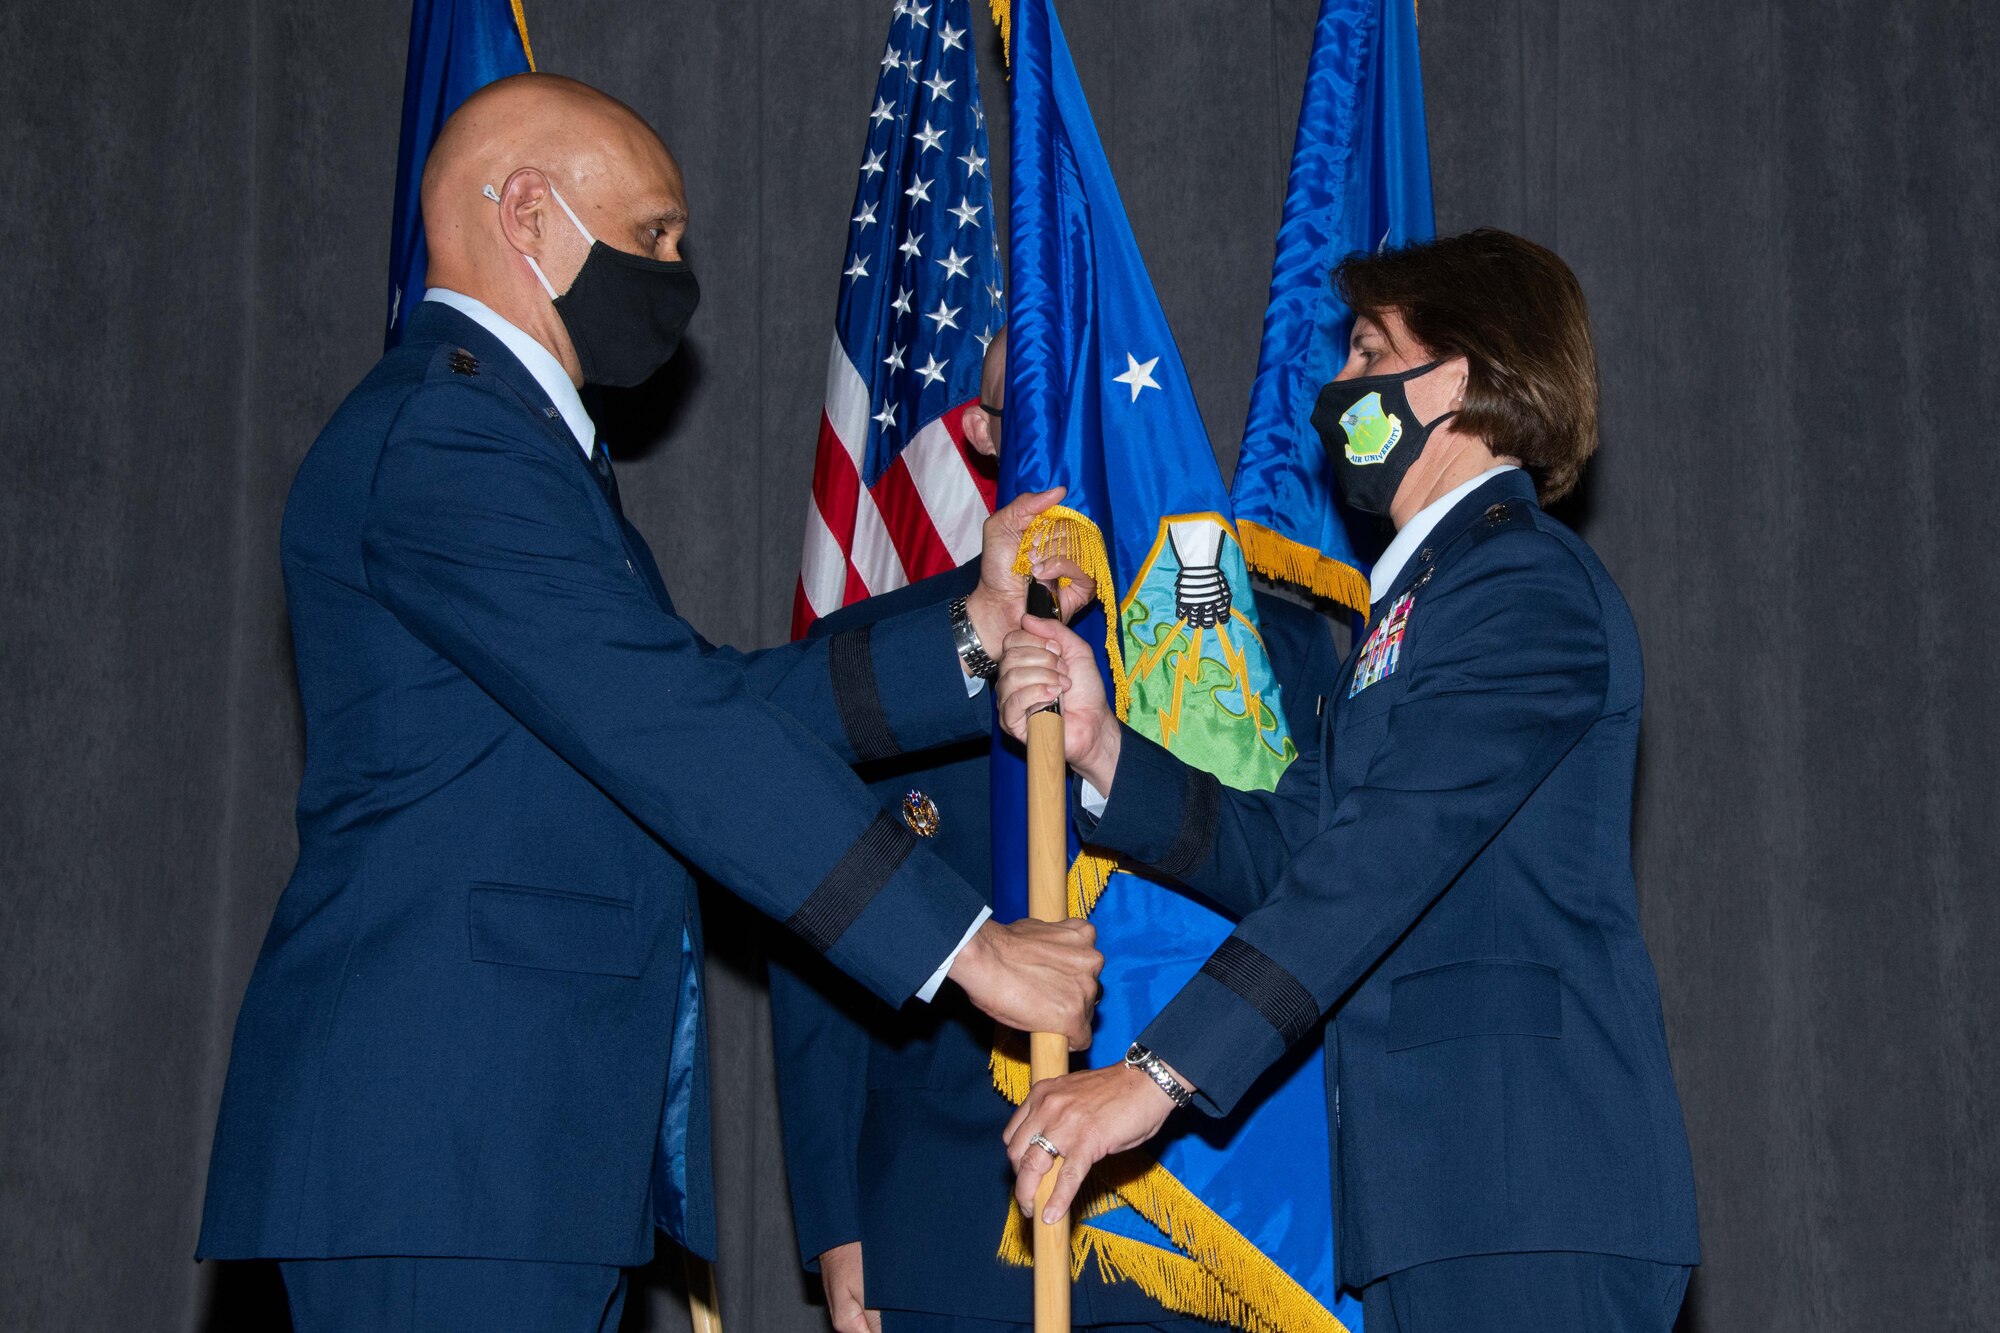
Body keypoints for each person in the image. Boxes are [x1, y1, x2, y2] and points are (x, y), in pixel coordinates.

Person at [194, 73, 1104, 1333]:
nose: (676, 277)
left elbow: (696, 700)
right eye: (654, 238)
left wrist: (967, 630)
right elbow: (669, 724)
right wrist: (968, 951)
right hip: (440, 1145)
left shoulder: (512, 443)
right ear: (526, 213)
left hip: (511, 1155)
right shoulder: (448, 437)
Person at [995, 229, 1701, 1333]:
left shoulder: (1520, 583)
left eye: (1368, 353)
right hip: (1431, 1201)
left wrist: (1153, 1076)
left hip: (1526, 1191)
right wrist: (1101, 752)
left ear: (1454, 379)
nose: (1335, 387)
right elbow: (1295, 850)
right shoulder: (1412, 605)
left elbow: (1382, 858)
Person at [768, 329, 1341, 1333]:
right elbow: (818, 946)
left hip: (1215, 1213)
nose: (1061, 436)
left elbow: (1316, 899)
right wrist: (835, 1221)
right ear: (985, 435)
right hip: (956, 1222)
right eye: (1025, 409)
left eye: (1084, 406)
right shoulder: (882, 659)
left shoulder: (1269, 649)